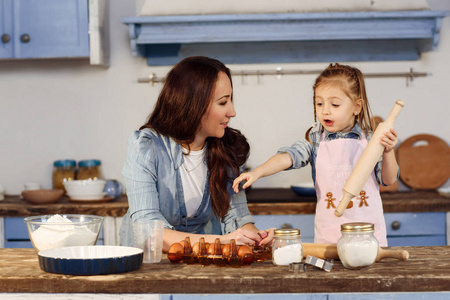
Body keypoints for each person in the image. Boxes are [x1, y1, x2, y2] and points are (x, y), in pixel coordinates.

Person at [233, 63, 399, 246]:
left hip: (369, 237)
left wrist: (389, 151)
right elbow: (288, 157)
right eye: (319, 103)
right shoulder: (315, 142)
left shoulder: (371, 140)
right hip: (330, 238)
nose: (325, 110)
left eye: (335, 104)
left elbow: (388, 179)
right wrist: (258, 172)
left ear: (357, 107)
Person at [120, 56, 273, 252]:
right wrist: (221, 242)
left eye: (230, 100)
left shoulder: (229, 149)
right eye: (223, 102)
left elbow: (237, 215)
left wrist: (256, 237)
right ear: (194, 105)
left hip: (198, 261)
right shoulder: (146, 147)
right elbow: (149, 232)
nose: (232, 112)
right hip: (146, 264)